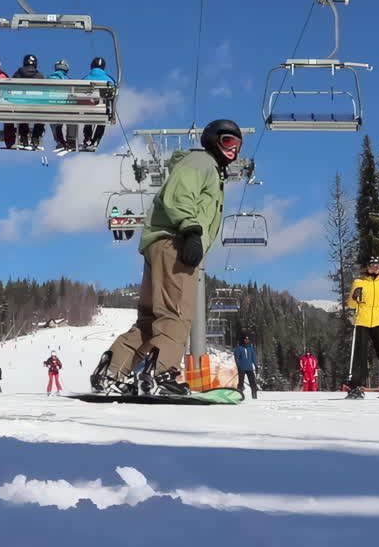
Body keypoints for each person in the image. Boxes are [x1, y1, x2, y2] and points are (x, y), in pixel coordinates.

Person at [89, 118, 241, 396]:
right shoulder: (202, 162)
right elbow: (179, 194)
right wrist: (192, 231)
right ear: (212, 139)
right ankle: (161, 374)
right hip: (176, 242)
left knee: (150, 320)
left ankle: (112, 370)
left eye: (237, 145)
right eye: (227, 141)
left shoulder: (203, 166)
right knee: (176, 314)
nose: (232, 150)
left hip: (160, 243)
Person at [345, 256, 379, 399]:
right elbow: (351, 304)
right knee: (360, 356)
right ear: (367, 267)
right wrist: (354, 298)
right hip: (362, 321)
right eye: (372, 265)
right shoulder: (359, 282)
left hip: (378, 321)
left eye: (377, 265)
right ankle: (355, 387)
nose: (375, 268)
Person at [81, 57, 116, 150]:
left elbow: (80, 91)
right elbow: (114, 95)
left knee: (88, 116)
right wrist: (113, 114)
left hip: (88, 107)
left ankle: (87, 138)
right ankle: (96, 139)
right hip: (103, 108)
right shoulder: (109, 79)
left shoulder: (86, 78)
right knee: (102, 118)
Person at [13, 54, 45, 149]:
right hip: (36, 105)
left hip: (20, 104)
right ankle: (35, 137)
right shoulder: (40, 76)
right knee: (43, 114)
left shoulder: (17, 75)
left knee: (21, 113)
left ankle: (23, 136)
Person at [47, 59, 79, 152]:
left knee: (51, 117)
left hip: (51, 107)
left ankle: (59, 141)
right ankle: (71, 139)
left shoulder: (47, 79)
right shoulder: (69, 80)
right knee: (73, 114)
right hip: (66, 107)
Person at [235, 334, 258, 399]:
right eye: (245, 339)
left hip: (249, 368)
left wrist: (256, 365)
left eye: (247, 339)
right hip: (242, 368)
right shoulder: (239, 348)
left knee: (253, 382)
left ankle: (254, 396)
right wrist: (238, 366)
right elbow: (237, 358)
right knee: (241, 383)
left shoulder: (251, 348)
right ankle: (239, 396)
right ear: (243, 340)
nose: (247, 341)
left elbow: (254, 357)